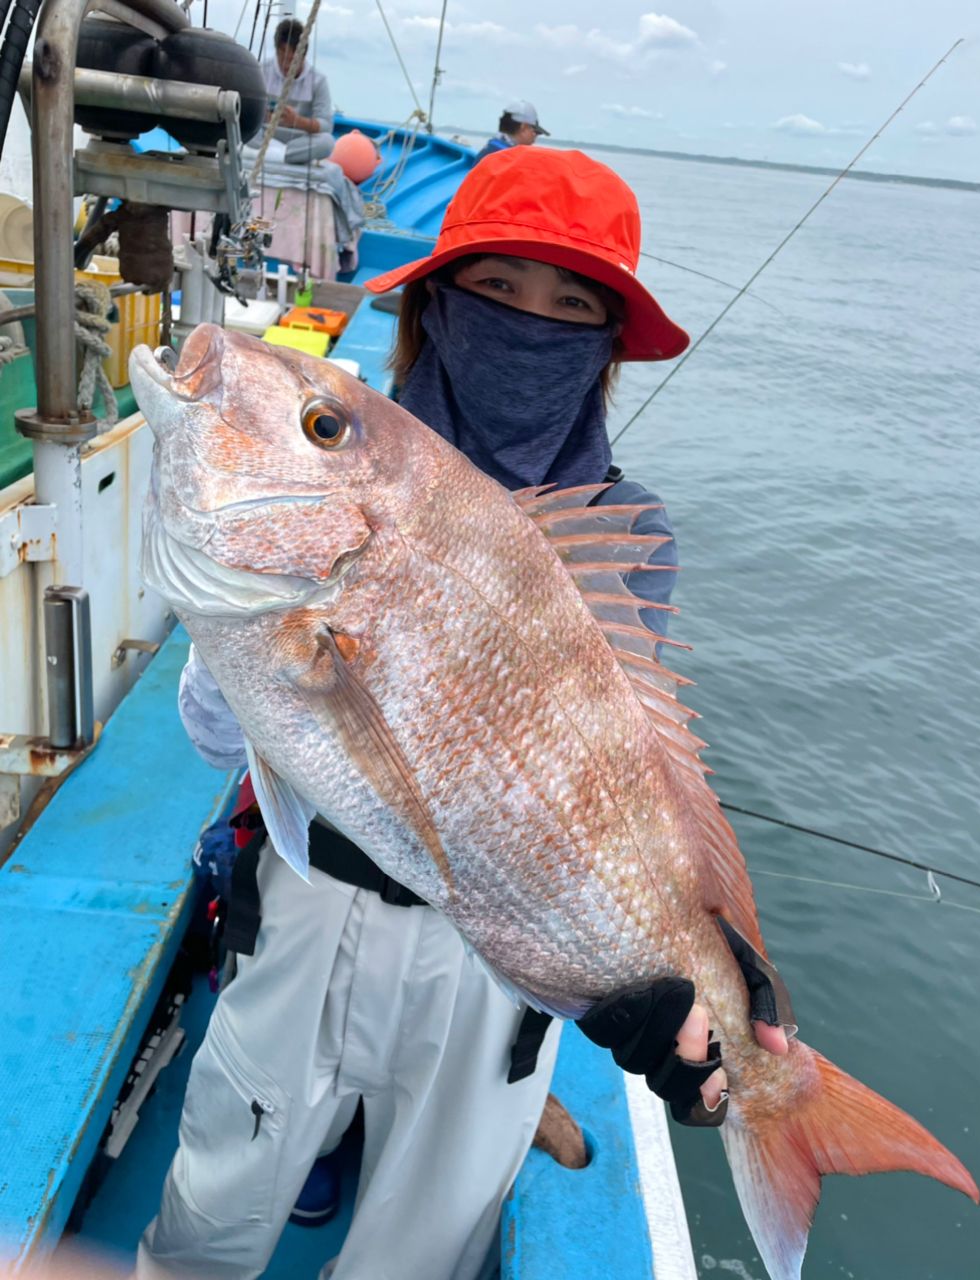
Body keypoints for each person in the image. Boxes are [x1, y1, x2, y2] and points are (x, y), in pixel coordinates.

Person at [135, 147, 789, 1280]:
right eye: (499, 290)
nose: (530, 324)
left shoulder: (625, 529)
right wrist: (254, 635)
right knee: (219, 1188)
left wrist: (700, 955)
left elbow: (626, 767)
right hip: (309, 901)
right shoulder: (333, 454)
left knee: (420, 1239)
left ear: (603, 350)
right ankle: (322, 1143)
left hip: (493, 967)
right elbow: (213, 736)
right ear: (433, 305)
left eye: (571, 305)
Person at [261, 18, 335, 164]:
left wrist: (297, 121)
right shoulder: (262, 70)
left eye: (292, 60)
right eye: (282, 58)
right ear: (276, 51)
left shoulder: (318, 81)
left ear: (303, 55)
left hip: (299, 138)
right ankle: (285, 157)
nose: (286, 65)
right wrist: (264, 116)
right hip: (266, 133)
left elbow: (326, 125)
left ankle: (273, 156)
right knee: (241, 131)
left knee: (326, 142)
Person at [473, 100, 549, 164]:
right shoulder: (511, 159)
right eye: (535, 131)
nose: (535, 137)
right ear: (523, 127)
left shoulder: (490, 149)